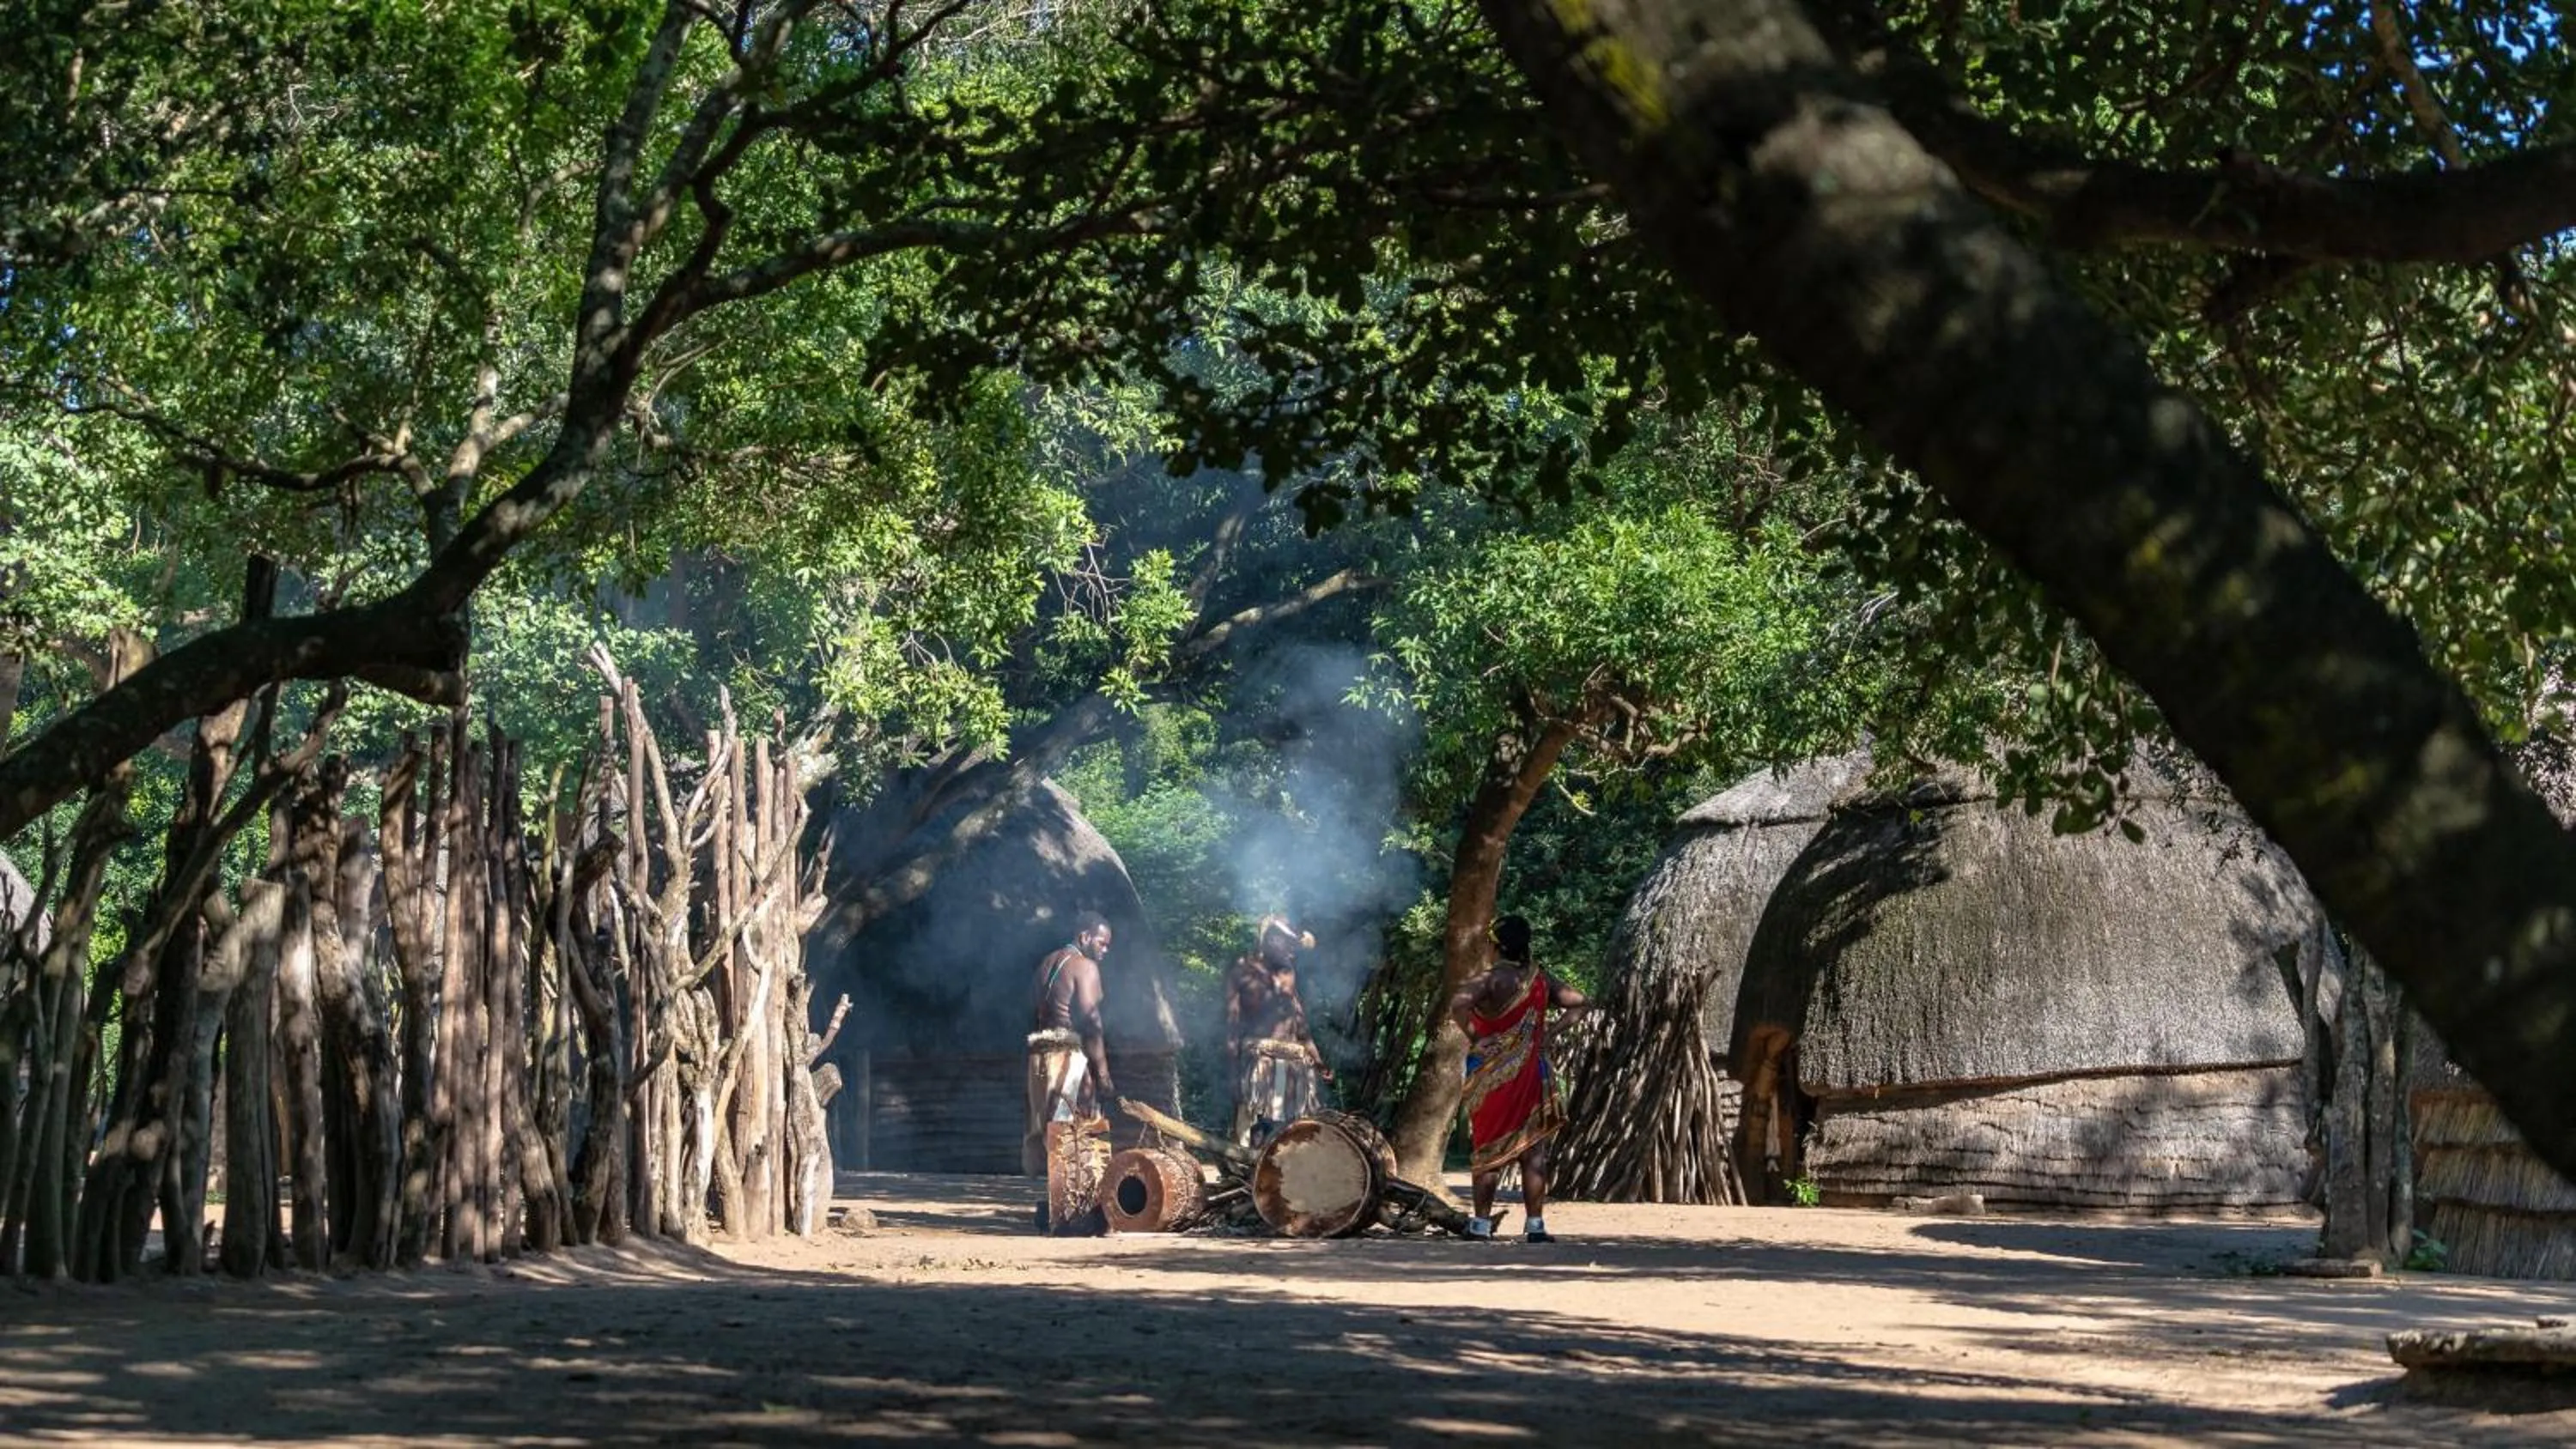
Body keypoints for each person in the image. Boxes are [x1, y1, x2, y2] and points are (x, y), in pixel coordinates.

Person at [1450, 912, 1595, 1243]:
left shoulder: (1488, 980)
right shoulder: (1539, 979)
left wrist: (1476, 1038)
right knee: (1533, 1151)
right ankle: (1535, 1226)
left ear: (1495, 946)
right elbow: (1580, 1003)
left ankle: (1481, 1225)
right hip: (1531, 1074)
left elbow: (1458, 1004)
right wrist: (1550, 1034)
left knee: (1488, 1149)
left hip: (1492, 1076)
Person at [1026, 912, 1117, 1230]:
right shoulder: (1084, 966)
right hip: (1067, 1056)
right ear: (1084, 937)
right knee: (1079, 1128)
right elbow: (1092, 1023)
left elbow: (1034, 1011)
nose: (1105, 949)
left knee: (1054, 1129)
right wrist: (1102, 1074)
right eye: (1102, 942)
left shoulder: (1045, 964)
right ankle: (1075, 1211)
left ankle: (1059, 1207)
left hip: (1040, 1054)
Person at [1224, 915, 1331, 1145]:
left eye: (1293, 944)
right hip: (1258, 1063)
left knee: (1289, 1133)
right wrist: (1233, 1071)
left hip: (1293, 1066)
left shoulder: (1288, 972)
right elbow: (1233, 1023)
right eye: (1287, 943)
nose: (1291, 950)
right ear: (1271, 939)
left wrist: (1317, 1060)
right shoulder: (1242, 970)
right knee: (1252, 1127)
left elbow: (1298, 1019)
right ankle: (1247, 1163)